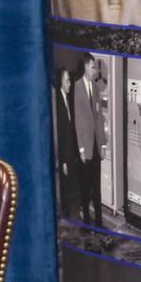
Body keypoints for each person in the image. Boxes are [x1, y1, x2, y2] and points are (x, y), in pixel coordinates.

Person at [74, 52, 106, 226]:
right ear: (86, 66)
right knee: (86, 187)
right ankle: (86, 221)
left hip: (96, 144)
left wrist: (102, 144)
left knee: (97, 186)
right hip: (85, 147)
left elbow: (99, 116)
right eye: (93, 67)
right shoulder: (77, 87)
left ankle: (99, 222)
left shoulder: (95, 87)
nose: (95, 71)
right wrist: (81, 150)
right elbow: (78, 121)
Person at [54, 66, 82, 220]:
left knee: (69, 187)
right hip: (65, 156)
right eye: (67, 80)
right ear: (60, 82)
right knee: (64, 189)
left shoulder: (66, 98)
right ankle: (64, 218)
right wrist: (64, 161)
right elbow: (60, 134)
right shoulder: (58, 102)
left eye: (70, 80)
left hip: (71, 153)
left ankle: (68, 214)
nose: (70, 83)